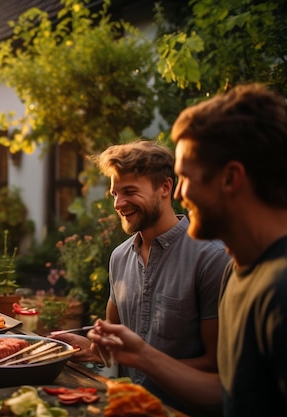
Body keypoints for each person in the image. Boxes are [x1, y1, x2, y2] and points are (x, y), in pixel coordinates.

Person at [87, 83, 287, 416]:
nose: (179, 192)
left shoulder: (279, 287)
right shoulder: (241, 274)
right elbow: (229, 393)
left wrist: (143, 358)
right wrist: (137, 355)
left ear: (230, 178)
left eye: (185, 177)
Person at [54, 140, 231, 413]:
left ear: (165, 187)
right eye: (114, 193)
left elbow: (217, 364)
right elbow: (112, 350)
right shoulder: (119, 257)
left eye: (129, 192)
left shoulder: (210, 257)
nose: (118, 203)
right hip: (128, 407)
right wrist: (86, 348)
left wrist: (144, 361)